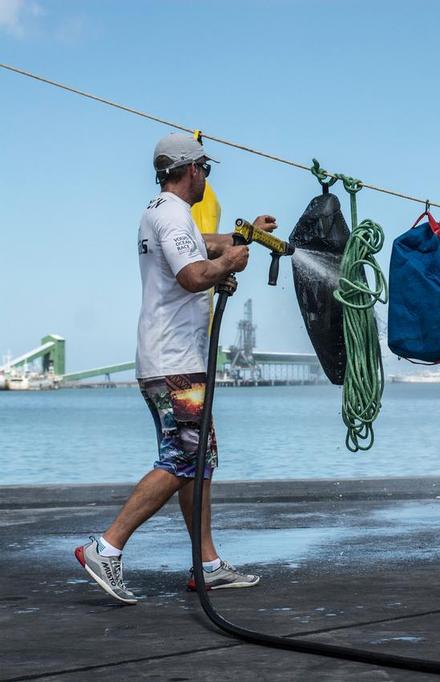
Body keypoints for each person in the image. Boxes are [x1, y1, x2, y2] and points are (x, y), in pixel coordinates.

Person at [75, 132, 276, 604]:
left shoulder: (162, 212)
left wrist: (240, 237)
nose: (207, 176)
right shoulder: (171, 215)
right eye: (206, 168)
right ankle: (106, 547)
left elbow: (196, 245)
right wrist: (229, 261)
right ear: (192, 170)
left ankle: (206, 565)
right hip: (175, 363)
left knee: (199, 460)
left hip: (169, 359)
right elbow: (192, 275)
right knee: (183, 459)